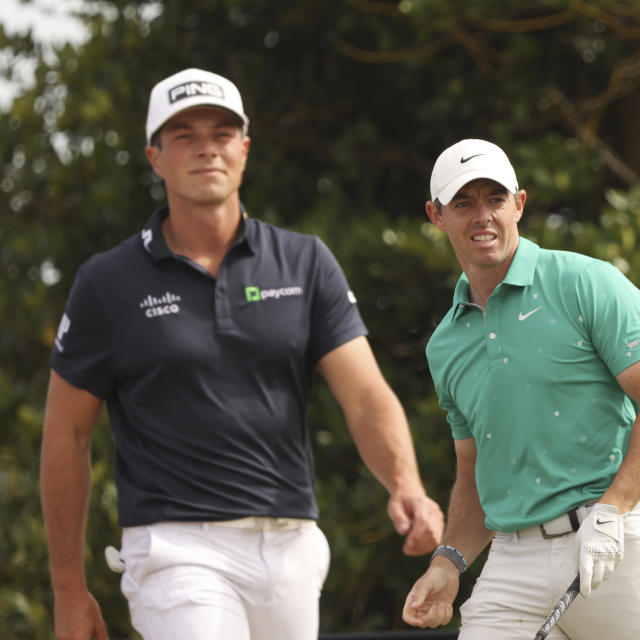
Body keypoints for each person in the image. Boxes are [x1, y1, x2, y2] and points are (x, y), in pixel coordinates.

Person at [40, 67, 443, 640]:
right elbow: (66, 436)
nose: (207, 148)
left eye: (222, 132)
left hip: (291, 545)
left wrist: (406, 485)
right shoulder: (107, 282)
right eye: (184, 135)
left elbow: (365, 396)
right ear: (155, 156)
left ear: (245, 149)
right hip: (174, 549)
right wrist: (67, 590)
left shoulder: (305, 262)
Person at [402, 139, 640, 638]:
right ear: (436, 214)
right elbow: (474, 470)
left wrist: (613, 509)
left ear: (519, 204)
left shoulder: (587, 283)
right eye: (464, 203)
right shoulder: (445, 345)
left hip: (617, 543)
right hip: (513, 561)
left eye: (495, 199)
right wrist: (448, 562)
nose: (482, 216)